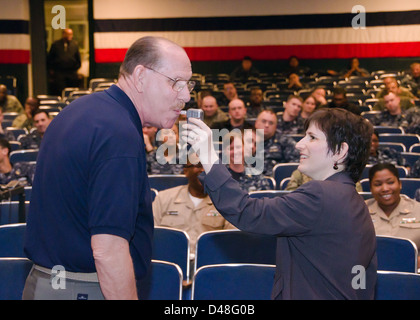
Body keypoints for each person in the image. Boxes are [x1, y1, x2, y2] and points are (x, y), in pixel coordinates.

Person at [23, 36, 194, 300]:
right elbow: (108, 250)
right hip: (85, 288)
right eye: (176, 83)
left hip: (46, 283)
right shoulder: (119, 133)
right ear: (140, 76)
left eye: (189, 85)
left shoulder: (80, 110)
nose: (186, 95)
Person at [183, 107, 377, 299]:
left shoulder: (320, 195)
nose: (299, 144)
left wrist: (208, 153)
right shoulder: (359, 204)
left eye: (312, 137)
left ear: (340, 151)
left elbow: (246, 211)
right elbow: (361, 282)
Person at [153, 156, 234, 263]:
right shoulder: (163, 198)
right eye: (198, 165)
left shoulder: (225, 203)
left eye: (208, 167)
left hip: (208, 265)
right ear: (186, 171)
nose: (203, 170)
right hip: (170, 261)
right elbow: (151, 236)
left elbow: (232, 243)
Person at [366, 163, 420, 267]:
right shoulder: (359, 211)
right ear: (371, 188)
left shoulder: (418, 210)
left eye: (390, 182)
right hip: (369, 274)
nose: (385, 188)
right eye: (378, 184)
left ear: (400, 184)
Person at [254, 109, 300, 176]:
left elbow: (296, 162)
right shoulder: (245, 140)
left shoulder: (284, 141)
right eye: (263, 121)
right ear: (256, 123)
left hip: (276, 181)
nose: (267, 125)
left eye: (271, 123)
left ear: (275, 127)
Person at [47, 28, 81, 96]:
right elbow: (50, 59)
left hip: (71, 73)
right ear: (63, 34)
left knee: (72, 91)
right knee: (60, 91)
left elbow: (78, 59)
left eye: (71, 34)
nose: (70, 36)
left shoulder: (74, 45)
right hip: (59, 73)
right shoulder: (55, 45)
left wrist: (75, 68)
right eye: (68, 34)